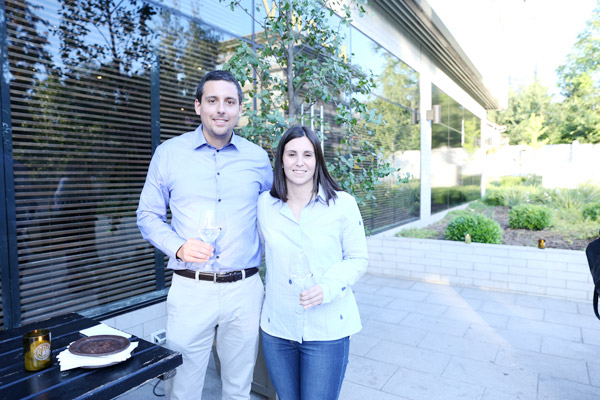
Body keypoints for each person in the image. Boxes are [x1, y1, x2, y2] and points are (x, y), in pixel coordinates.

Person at [136, 70, 273, 400]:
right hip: (191, 288)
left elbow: (273, 214)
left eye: (229, 101)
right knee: (182, 389)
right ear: (198, 106)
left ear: (240, 109)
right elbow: (147, 215)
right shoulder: (169, 153)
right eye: (212, 100)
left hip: (244, 290)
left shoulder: (258, 158)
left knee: (238, 389)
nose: (221, 109)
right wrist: (178, 246)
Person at [257, 126, 368, 400]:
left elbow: (357, 258)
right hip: (277, 328)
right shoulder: (265, 205)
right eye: (291, 154)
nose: (299, 162)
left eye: (307, 154)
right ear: (281, 159)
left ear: (317, 160)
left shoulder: (342, 204)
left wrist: (327, 288)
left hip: (327, 329)